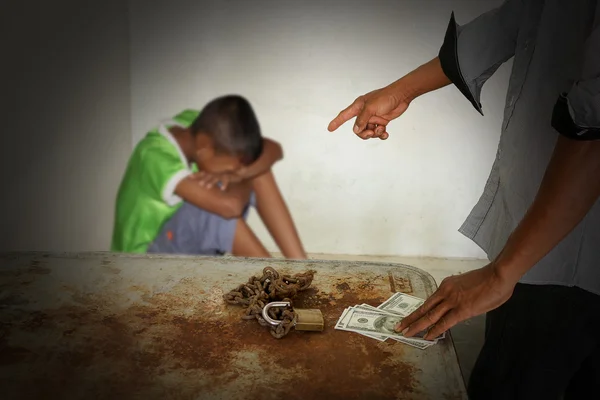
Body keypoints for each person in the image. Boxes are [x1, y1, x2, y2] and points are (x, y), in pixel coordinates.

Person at [328, 1, 599, 399]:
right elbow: (521, 17)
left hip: (569, 257)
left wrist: (502, 273)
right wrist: (399, 91)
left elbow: (593, 132)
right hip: (535, 242)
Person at [112, 95, 306, 259]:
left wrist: (241, 174)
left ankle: (302, 268)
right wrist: (241, 178)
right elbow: (230, 207)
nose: (231, 174)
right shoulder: (154, 157)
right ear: (204, 146)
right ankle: (279, 294)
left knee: (257, 169)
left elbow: (273, 149)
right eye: (229, 170)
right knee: (214, 214)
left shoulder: (198, 126)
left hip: (182, 248)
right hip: (143, 265)